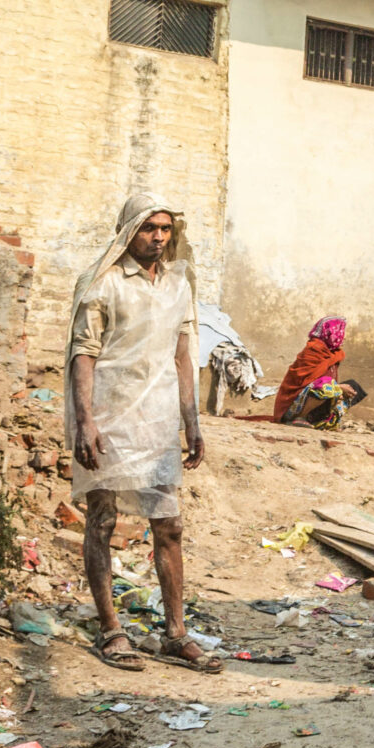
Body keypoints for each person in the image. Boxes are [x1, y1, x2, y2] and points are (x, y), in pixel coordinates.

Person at [64, 193, 215, 673]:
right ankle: (111, 630)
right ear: (130, 229)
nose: (158, 236)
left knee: (169, 524)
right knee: (102, 520)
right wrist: (85, 420)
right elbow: (83, 352)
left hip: (158, 417)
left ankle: (176, 634)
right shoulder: (103, 282)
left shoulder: (178, 282)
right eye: (150, 227)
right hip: (108, 414)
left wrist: (192, 421)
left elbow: (183, 354)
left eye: (166, 228)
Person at [272, 317, 365, 427]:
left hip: (316, 400)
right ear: (331, 334)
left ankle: (326, 422)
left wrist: (337, 391)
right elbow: (308, 381)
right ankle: (300, 417)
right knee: (326, 385)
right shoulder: (313, 349)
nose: (343, 338)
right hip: (293, 406)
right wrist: (338, 388)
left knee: (353, 387)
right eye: (340, 333)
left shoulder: (334, 353)